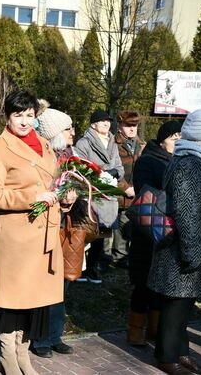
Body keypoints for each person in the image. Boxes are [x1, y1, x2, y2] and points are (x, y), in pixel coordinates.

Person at [0, 90, 73, 375]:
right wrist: (33, 196)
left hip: (44, 235)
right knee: (13, 301)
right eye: (18, 115)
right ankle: (8, 356)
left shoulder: (45, 144)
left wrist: (66, 195)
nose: (24, 121)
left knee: (35, 300)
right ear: (7, 117)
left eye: (29, 115)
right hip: (16, 239)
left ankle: (24, 354)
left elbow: (55, 180)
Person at [147, 110, 201, 375]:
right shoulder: (189, 163)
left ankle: (180, 352)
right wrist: (193, 252)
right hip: (181, 248)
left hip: (187, 245)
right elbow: (186, 211)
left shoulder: (192, 158)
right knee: (175, 304)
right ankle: (166, 356)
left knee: (183, 304)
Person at [127, 120, 181, 347]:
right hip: (148, 228)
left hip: (168, 230)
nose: (177, 142)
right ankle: (135, 329)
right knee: (143, 282)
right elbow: (144, 191)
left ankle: (155, 328)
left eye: (180, 137)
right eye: (173, 138)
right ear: (162, 140)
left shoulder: (177, 160)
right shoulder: (148, 160)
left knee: (160, 282)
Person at [30, 106, 77, 359]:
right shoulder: (42, 154)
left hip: (63, 224)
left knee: (60, 283)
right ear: (55, 132)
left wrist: (71, 196)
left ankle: (55, 334)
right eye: (68, 128)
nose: (73, 132)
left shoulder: (69, 154)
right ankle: (39, 339)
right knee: (43, 281)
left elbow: (72, 182)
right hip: (43, 224)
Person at [75, 110, 124, 284]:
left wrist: (115, 172)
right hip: (91, 193)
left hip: (108, 193)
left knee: (101, 235)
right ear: (94, 124)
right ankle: (78, 269)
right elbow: (80, 168)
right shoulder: (84, 143)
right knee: (86, 233)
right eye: (102, 121)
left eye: (108, 121)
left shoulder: (112, 141)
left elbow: (119, 167)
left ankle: (92, 269)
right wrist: (100, 173)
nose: (106, 124)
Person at [113, 111, 146, 269]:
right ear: (119, 126)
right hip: (120, 193)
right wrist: (125, 188)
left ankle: (128, 255)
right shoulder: (113, 144)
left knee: (133, 226)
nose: (132, 129)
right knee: (121, 225)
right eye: (128, 125)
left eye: (135, 125)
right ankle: (119, 257)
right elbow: (109, 170)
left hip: (138, 193)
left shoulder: (142, 144)